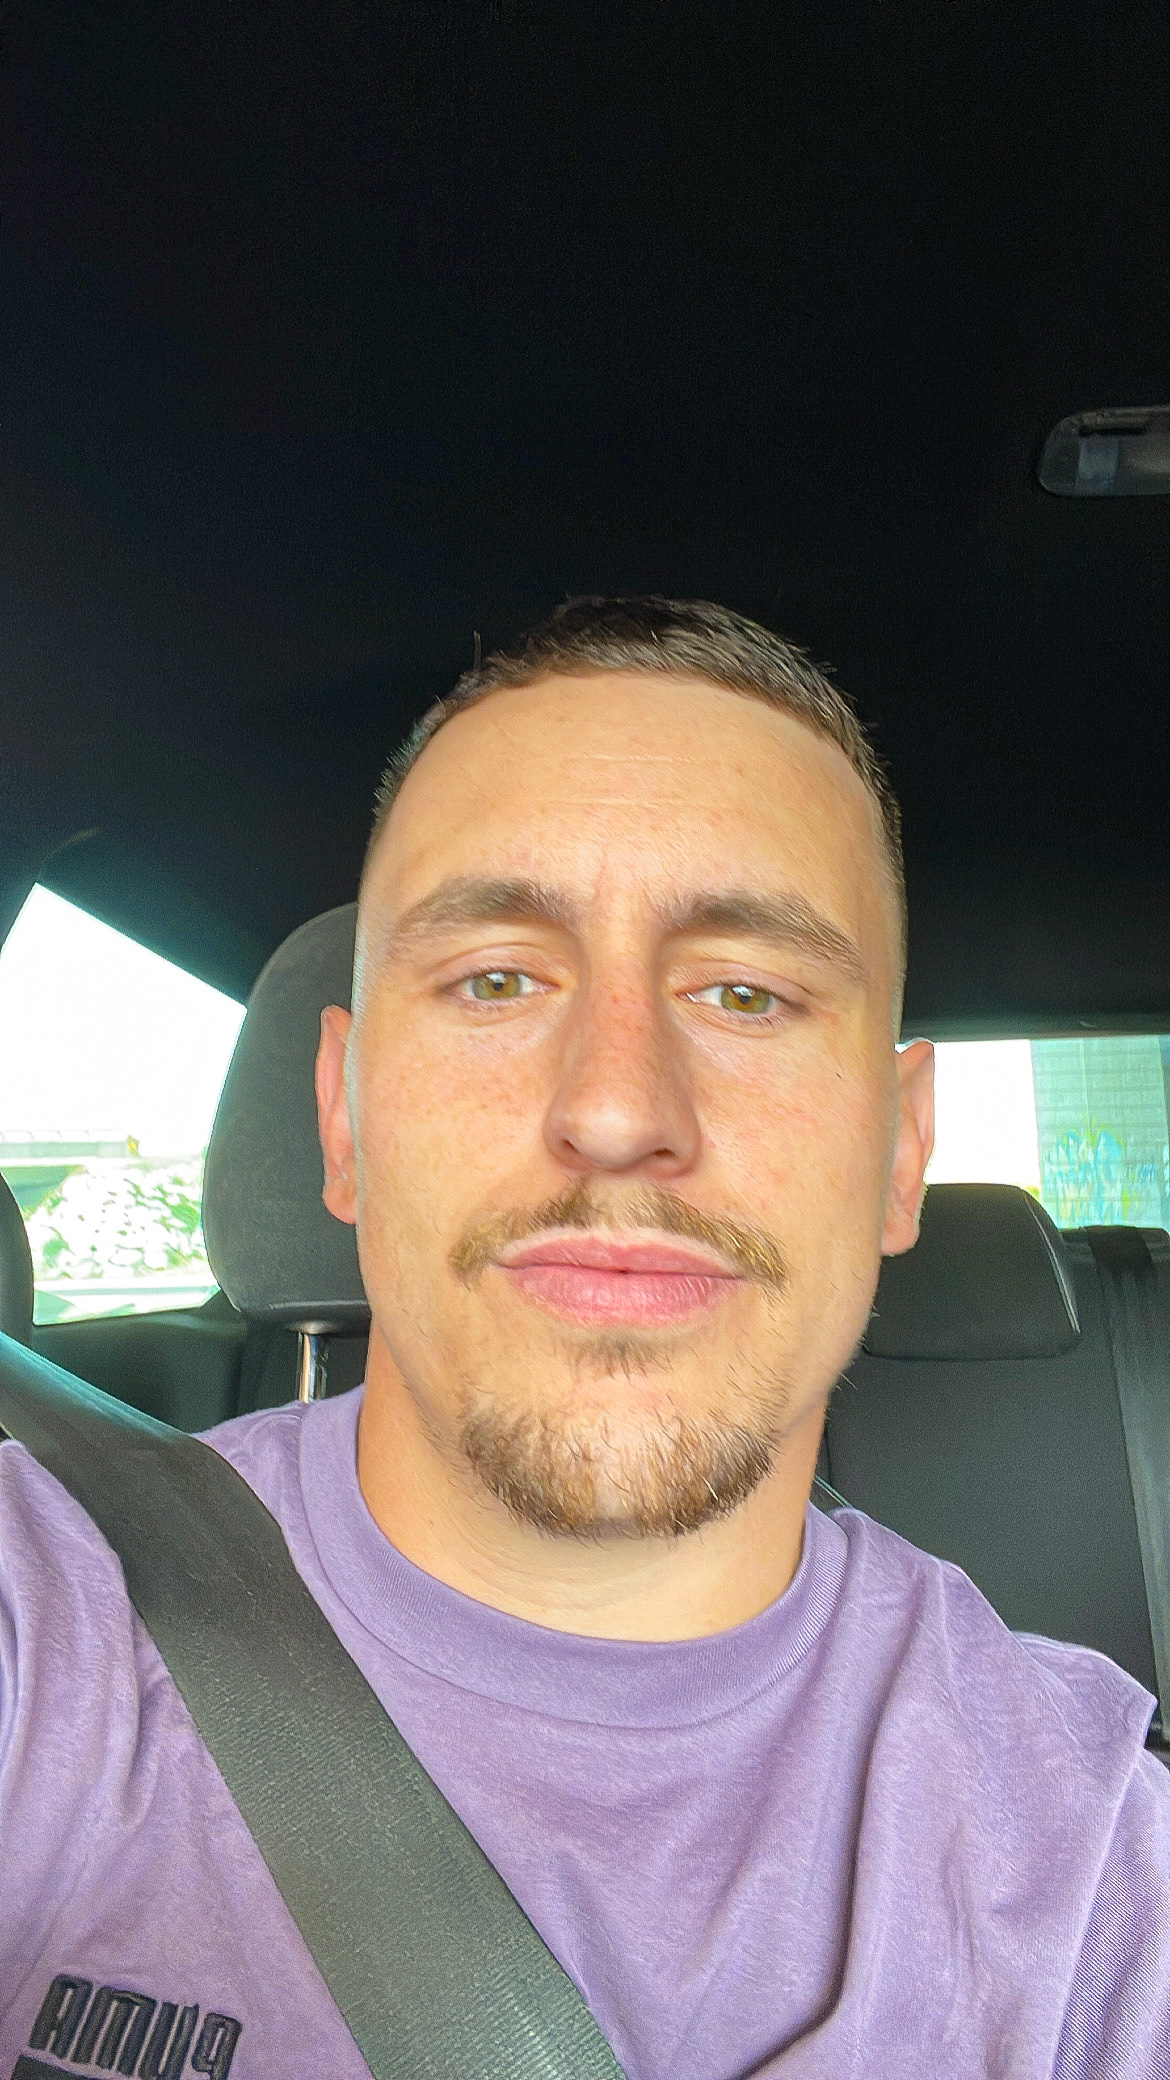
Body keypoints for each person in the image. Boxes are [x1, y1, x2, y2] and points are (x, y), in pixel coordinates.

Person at [1, 596, 1168, 2079]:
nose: (617, 1110)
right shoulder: (46, 1624)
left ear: (899, 1152)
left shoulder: (1094, 1878)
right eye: (495, 979)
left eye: (745, 993)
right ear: (344, 1120)